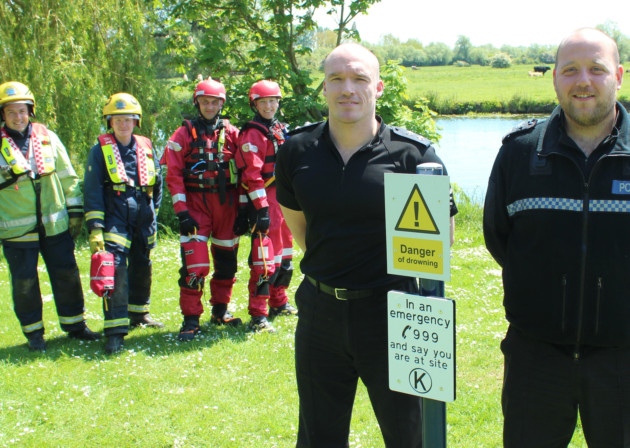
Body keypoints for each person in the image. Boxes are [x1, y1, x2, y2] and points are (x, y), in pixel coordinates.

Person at [275, 43, 457, 447]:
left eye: (358, 79)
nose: (347, 89)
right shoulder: (296, 151)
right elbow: (300, 230)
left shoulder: (413, 155)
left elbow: (438, 246)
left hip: (394, 313)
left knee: (407, 433)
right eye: (336, 79)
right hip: (320, 313)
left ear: (378, 86)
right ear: (323, 88)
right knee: (318, 434)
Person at [483, 28, 630, 447]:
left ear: (618, 75)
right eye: (570, 70)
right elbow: (499, 238)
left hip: (624, 359)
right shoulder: (519, 152)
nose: (583, 80)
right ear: (554, 79)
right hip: (536, 357)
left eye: (597, 69)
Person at [0, 81, 100, 351]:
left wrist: (76, 211)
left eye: (22, 111)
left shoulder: (48, 137)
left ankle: (75, 326)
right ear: (3, 115)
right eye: (11, 112)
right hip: (16, 229)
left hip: (54, 223)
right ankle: (33, 333)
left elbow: (68, 176)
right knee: (24, 281)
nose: (18, 117)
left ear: (30, 111)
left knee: (67, 273)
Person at [84, 92, 163, 354]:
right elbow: (92, 189)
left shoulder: (147, 146)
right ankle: (115, 331)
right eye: (117, 119)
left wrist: (155, 211)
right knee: (115, 269)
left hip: (143, 214)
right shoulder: (99, 151)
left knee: (143, 264)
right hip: (116, 216)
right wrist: (96, 228)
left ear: (136, 121)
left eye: (128, 119)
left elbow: (157, 181)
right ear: (109, 121)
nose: (123, 124)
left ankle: (139, 313)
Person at [163, 79, 242, 341]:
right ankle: (191, 319)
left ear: (222, 104)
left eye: (214, 102)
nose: (210, 106)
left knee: (226, 263)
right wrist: (182, 212)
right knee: (194, 267)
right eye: (205, 101)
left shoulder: (232, 134)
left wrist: (247, 209)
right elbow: (173, 176)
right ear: (197, 103)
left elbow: (246, 172)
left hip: (226, 206)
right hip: (196, 206)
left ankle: (220, 310)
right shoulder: (182, 135)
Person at [235, 80, 297, 333]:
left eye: (273, 101)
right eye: (264, 102)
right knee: (264, 261)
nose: (269, 106)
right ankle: (258, 315)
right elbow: (252, 175)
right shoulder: (252, 134)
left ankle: (278, 301)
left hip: (284, 200)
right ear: (255, 104)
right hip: (266, 201)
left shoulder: (281, 129)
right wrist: (261, 208)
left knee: (285, 256)